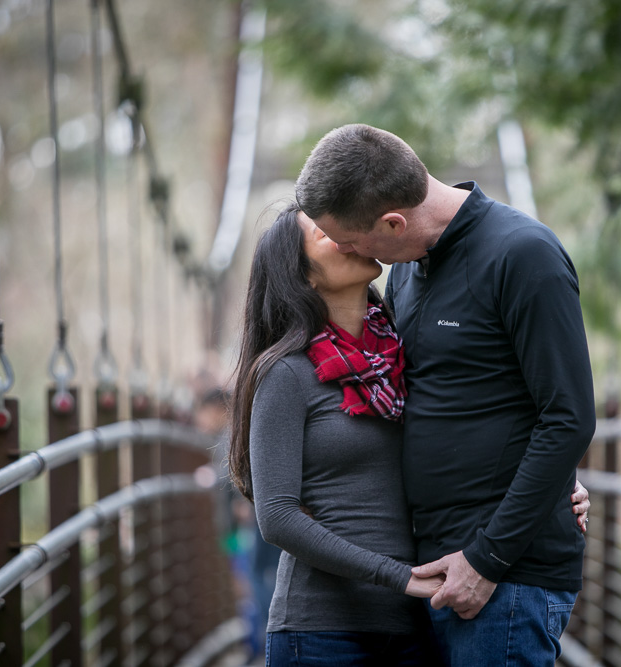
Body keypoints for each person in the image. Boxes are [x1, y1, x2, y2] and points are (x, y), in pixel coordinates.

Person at [227, 202, 591, 666]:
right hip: (322, 628)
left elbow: (480, 422)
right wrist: (396, 576)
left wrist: (562, 481)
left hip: (412, 626)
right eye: (324, 233)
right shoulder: (287, 373)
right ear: (304, 276)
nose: (347, 232)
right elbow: (276, 517)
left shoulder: (401, 357)